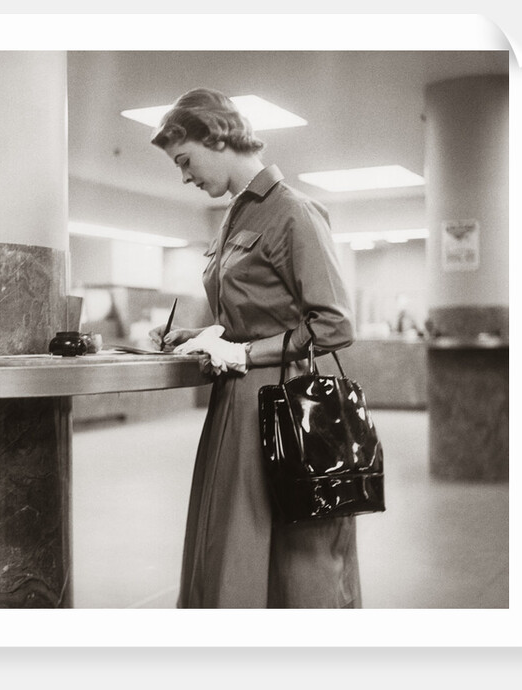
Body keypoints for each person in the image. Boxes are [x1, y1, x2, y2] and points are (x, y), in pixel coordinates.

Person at [148, 87, 361, 608]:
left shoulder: (293, 212)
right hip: (237, 404)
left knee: (297, 550)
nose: (185, 176)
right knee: (232, 543)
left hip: (286, 405)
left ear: (214, 136)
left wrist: (246, 354)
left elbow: (333, 324)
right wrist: (203, 335)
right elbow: (245, 315)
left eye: (184, 160)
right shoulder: (235, 217)